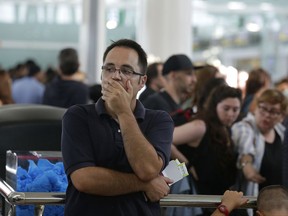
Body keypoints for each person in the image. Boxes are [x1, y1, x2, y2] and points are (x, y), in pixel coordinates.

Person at [61, 39, 174, 216]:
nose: (115, 76)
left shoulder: (159, 120)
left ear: (142, 81)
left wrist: (124, 113)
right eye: (109, 68)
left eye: (126, 71)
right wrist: (143, 184)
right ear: (101, 75)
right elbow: (84, 179)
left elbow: (148, 169)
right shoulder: (77, 116)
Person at [172, 85, 242, 215]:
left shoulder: (226, 128)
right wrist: (186, 164)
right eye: (226, 109)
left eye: (235, 109)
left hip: (218, 200)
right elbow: (163, 140)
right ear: (215, 106)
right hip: (200, 202)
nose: (231, 114)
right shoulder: (200, 126)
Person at [232, 89, 288, 198]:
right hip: (254, 201)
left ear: (281, 116)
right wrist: (247, 166)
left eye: (273, 111)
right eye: (263, 108)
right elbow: (246, 149)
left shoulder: (281, 132)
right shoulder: (245, 127)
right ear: (256, 108)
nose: (267, 115)